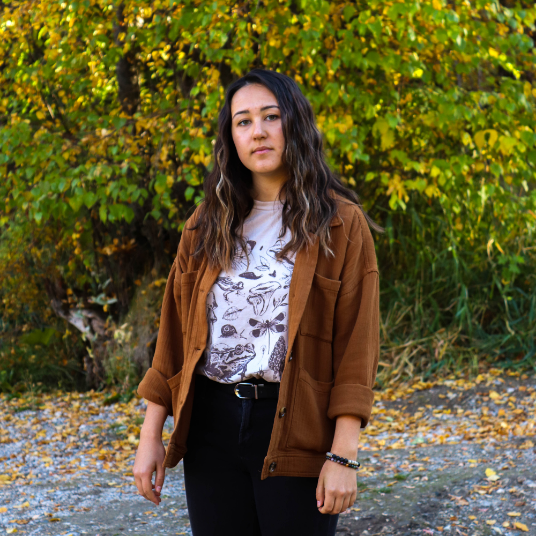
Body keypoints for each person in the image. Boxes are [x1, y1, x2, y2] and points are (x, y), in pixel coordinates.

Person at [133, 68, 383, 536]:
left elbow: (357, 349)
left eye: (271, 116)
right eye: (243, 121)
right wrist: (152, 437)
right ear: (231, 138)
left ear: (295, 124)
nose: (259, 131)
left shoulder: (341, 225)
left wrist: (343, 454)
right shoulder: (205, 225)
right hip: (210, 426)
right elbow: (173, 337)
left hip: (294, 423)